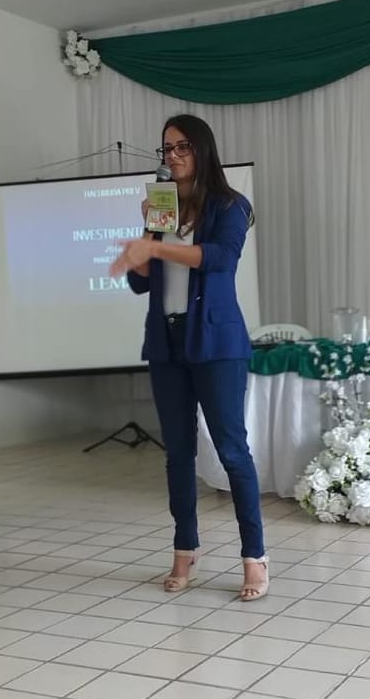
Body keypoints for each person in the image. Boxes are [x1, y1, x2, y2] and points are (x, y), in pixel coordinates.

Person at [110, 114, 268, 601]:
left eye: (182, 147)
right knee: (178, 453)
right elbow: (140, 284)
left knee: (232, 451)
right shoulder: (161, 209)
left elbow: (219, 258)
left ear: (202, 150)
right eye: (167, 149)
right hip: (167, 342)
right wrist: (145, 244)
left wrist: (157, 249)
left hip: (216, 343)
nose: (173, 156)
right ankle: (185, 550)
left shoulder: (229, 205)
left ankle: (255, 557)